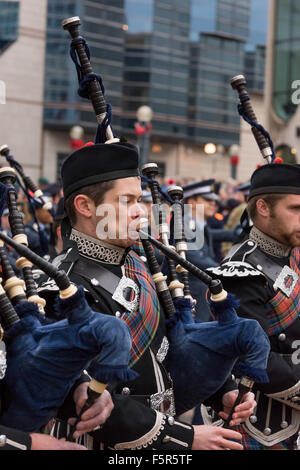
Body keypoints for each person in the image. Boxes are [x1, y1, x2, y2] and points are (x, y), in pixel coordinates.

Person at [37, 141, 256, 450]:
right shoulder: (63, 289)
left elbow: (173, 349)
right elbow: (91, 401)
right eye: (127, 201)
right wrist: (186, 437)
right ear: (85, 207)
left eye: (140, 200)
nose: (141, 211)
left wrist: (223, 390)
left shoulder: (135, 265)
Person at [205, 163, 300, 450]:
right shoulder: (240, 270)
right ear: (263, 207)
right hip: (262, 426)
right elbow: (254, 357)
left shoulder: (290, 254)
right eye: (295, 209)